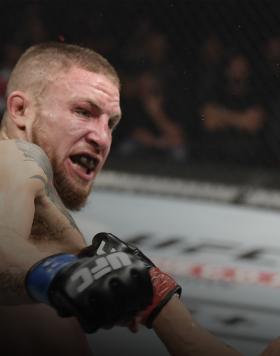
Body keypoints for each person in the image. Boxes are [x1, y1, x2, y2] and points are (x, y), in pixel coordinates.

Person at [0, 41, 274, 356]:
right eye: (83, 112)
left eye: (111, 123)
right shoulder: (14, 158)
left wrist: (159, 300)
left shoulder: (54, 229)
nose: (102, 138)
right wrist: (58, 275)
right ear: (20, 110)